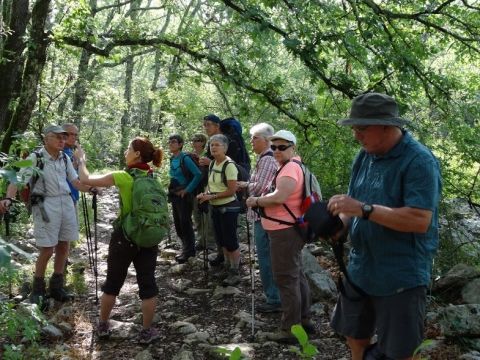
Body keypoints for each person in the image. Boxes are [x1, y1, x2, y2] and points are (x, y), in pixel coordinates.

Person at [328, 93, 442, 360]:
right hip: (361, 267)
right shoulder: (365, 156)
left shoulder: (419, 161)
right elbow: (352, 205)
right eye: (354, 128)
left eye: (362, 128)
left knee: (400, 351)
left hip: (400, 274)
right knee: (355, 334)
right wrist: (339, 226)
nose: (356, 135)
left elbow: (419, 219)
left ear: (387, 126)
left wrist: (365, 210)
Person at [75, 137, 163, 344]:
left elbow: (86, 179)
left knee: (113, 282)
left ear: (137, 154)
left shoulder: (123, 176)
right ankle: (146, 331)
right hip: (149, 237)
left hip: (125, 237)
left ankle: (104, 325)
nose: (125, 152)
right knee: (148, 284)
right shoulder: (152, 177)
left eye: (128, 149)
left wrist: (81, 159)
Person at [0, 125, 92, 308]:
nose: (62, 140)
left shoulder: (64, 158)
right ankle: (38, 290)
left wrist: (92, 188)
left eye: (63, 138)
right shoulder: (36, 158)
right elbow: (18, 180)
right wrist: (8, 198)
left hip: (66, 202)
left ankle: (57, 287)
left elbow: (75, 181)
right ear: (46, 138)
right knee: (47, 249)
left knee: (64, 245)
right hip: (45, 205)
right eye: (57, 137)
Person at [245, 129, 313, 343]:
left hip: (284, 230)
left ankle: (290, 329)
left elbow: (280, 196)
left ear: (293, 148)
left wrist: (256, 201)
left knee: (286, 278)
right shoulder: (292, 166)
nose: (276, 151)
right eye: (273, 147)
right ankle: (303, 320)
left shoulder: (290, 168)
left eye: (282, 147)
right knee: (296, 275)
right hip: (288, 229)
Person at [242, 123, 281, 313]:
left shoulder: (267, 159)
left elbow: (259, 188)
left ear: (266, 140)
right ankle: (274, 296)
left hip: (263, 216)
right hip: (265, 215)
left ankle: (274, 299)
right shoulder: (266, 158)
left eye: (255, 138)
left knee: (266, 257)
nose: (251, 141)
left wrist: (245, 185)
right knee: (267, 256)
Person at [197, 134, 242, 286]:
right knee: (221, 239)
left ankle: (235, 272)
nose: (213, 147)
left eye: (217, 145)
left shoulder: (229, 165)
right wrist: (206, 194)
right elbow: (211, 184)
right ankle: (227, 267)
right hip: (215, 206)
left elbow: (231, 190)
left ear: (225, 147)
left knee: (230, 240)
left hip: (229, 207)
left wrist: (211, 197)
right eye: (211, 145)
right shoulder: (212, 164)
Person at [168, 134, 202, 263]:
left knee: (185, 222)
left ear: (181, 144)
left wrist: (187, 190)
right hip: (175, 194)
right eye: (170, 142)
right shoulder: (172, 158)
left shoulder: (185, 158)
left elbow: (198, 174)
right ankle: (185, 248)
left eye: (174, 142)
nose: (171, 144)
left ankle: (189, 251)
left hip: (185, 196)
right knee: (178, 223)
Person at [190, 133, 216, 251]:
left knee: (207, 218)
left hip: (206, 189)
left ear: (203, 143)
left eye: (198, 140)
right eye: (194, 140)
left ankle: (209, 243)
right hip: (195, 190)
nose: (195, 142)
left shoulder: (207, 156)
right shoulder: (190, 156)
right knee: (197, 217)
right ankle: (201, 240)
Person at [62, 123, 80, 204]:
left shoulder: (70, 151)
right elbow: (65, 172)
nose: (74, 137)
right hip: (63, 199)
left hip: (73, 196)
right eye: (71, 134)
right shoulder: (57, 152)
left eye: (76, 135)